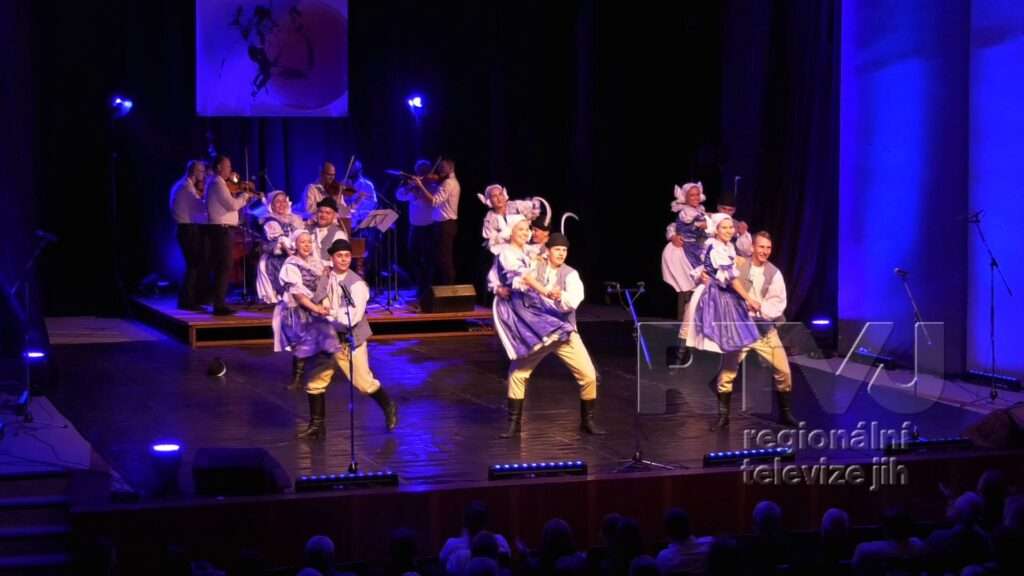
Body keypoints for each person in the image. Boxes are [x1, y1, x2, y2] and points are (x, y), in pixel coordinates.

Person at [496, 228, 603, 437]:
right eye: (557, 249)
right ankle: (513, 425)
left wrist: (558, 295)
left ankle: (587, 421)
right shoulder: (534, 267)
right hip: (537, 334)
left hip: (563, 333)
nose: (561, 253)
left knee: (589, 376)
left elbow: (573, 301)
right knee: (517, 374)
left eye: (564, 250)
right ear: (548, 250)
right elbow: (517, 278)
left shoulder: (570, 274)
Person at [297, 238, 398, 439]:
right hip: (327, 339)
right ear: (332, 258)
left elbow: (351, 318)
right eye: (339, 256)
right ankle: (317, 426)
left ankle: (388, 405)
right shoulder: (327, 277)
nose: (344, 260)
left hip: (349, 340)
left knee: (364, 383)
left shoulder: (357, 285)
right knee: (315, 382)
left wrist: (327, 312)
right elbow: (316, 298)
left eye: (347, 256)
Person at [714, 231, 796, 428]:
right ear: (752, 247)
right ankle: (723, 417)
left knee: (784, 371)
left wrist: (759, 309)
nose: (764, 251)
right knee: (727, 374)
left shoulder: (774, 273)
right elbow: (722, 282)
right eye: (761, 247)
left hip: (763, 330)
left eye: (768, 248)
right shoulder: (739, 265)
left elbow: (778, 303)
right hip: (740, 329)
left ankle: (785, 414)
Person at [205, 154, 257, 315]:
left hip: (224, 229)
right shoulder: (217, 183)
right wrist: (244, 195)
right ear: (219, 167)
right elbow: (232, 205)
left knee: (224, 266)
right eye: (227, 166)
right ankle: (219, 304)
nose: (231, 169)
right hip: (221, 230)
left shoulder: (220, 183)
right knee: (224, 266)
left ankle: (220, 302)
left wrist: (243, 196)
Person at [662, 182, 707, 321]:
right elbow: (685, 226)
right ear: (685, 197)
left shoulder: (699, 210)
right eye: (692, 195)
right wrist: (673, 236)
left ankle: (695, 320)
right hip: (687, 251)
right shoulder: (686, 212)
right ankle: (683, 322)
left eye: (697, 194)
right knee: (687, 286)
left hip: (697, 249)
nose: (695, 197)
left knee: (698, 287)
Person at [395, 160, 436, 307]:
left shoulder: (433, 187)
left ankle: (428, 290)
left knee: (428, 260)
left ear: (428, 172)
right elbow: (399, 196)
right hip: (415, 227)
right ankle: (420, 287)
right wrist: (410, 186)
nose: (420, 174)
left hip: (429, 227)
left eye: (423, 171)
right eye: (418, 171)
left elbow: (432, 201)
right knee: (414, 258)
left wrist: (421, 187)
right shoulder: (414, 188)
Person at [169, 159, 208, 311]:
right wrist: (207, 198)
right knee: (193, 265)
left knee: (192, 265)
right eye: (201, 171)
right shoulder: (186, 187)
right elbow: (200, 208)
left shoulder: (182, 185)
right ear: (194, 172)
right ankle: (188, 301)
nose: (203, 174)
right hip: (187, 229)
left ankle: (187, 299)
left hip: (184, 228)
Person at [415, 159, 460, 284]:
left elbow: (434, 201)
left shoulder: (448, 183)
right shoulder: (445, 182)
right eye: (439, 167)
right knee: (440, 258)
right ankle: (442, 286)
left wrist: (421, 186)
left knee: (445, 259)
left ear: (451, 169)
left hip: (446, 224)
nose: (439, 170)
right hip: (443, 224)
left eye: (443, 167)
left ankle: (448, 288)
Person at [479, 184, 540, 254]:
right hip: (506, 252)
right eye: (494, 196)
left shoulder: (516, 206)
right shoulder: (490, 219)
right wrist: (501, 237)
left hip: (527, 246)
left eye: (500, 194)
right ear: (489, 201)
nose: (499, 198)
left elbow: (534, 211)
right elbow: (492, 243)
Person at [308, 197, 348, 267]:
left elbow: (341, 261)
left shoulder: (339, 235)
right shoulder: (307, 230)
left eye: (328, 213)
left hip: (327, 271)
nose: (323, 215)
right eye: (321, 212)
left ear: (334, 216)